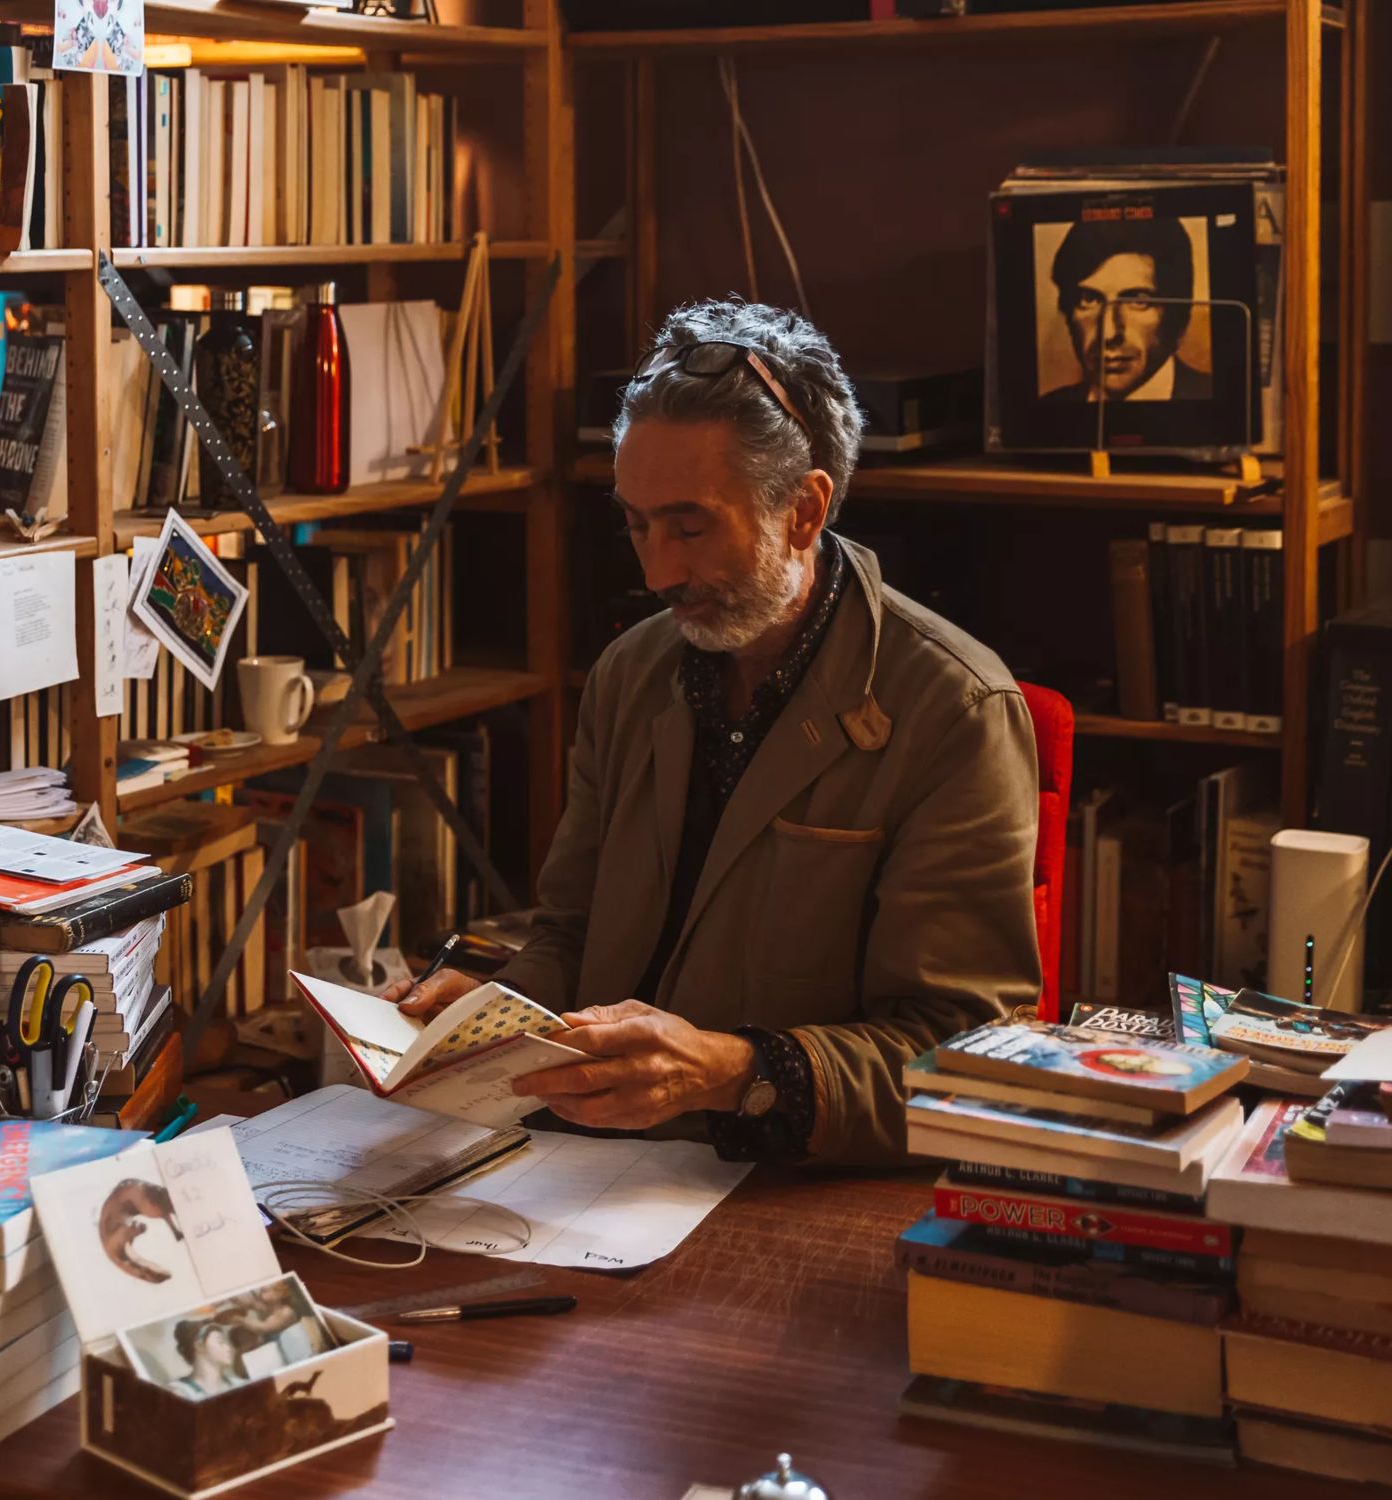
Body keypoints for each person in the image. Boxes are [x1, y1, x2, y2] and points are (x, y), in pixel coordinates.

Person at [389, 300, 1041, 1167]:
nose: (658, 571)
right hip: (583, 1172)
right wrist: (492, 1013)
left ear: (805, 512)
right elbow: (569, 936)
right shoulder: (629, 673)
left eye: (691, 527)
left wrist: (736, 1073)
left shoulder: (953, 710)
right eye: (635, 523)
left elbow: (964, 1058)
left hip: (789, 1179)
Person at [1044, 217, 1213, 403]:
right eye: (1089, 300)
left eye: (1138, 301)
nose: (1108, 334)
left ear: (1177, 316)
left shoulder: (1223, 401)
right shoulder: (1047, 412)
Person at [170, 1320, 246, 1399]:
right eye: (220, 1342)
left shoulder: (239, 1384)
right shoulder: (180, 1392)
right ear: (199, 1346)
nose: (229, 1348)